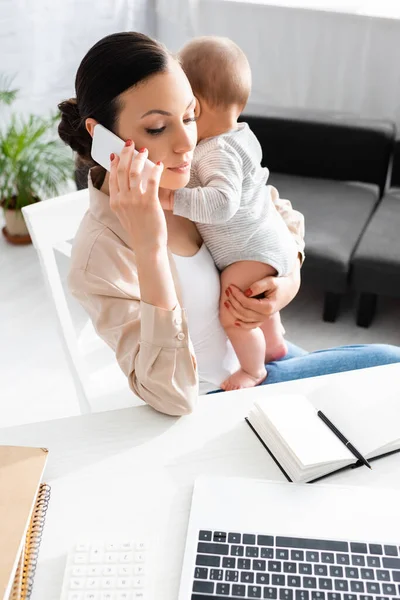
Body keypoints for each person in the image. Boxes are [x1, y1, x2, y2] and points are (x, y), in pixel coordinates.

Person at [58, 32, 400, 417]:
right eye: (157, 128)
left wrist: (285, 285)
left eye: (190, 116)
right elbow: (171, 397)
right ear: (101, 136)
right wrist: (149, 246)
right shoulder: (99, 253)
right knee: (390, 366)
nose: (186, 143)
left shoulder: (191, 173)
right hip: (213, 402)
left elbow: (277, 214)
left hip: (254, 362)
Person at [160, 36, 298, 391]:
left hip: (250, 250)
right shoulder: (242, 137)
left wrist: (174, 200)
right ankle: (276, 341)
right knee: (254, 303)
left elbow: (222, 204)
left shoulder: (215, 151)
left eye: (185, 112)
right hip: (271, 241)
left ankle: (254, 370)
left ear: (197, 108)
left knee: (234, 315)